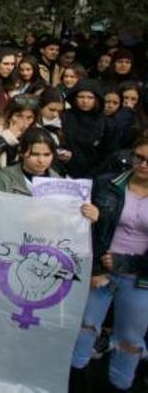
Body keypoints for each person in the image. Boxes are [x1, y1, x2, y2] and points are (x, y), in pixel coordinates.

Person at [70, 137, 148, 391]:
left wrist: (124, 262)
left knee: (130, 338)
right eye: (139, 157)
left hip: (141, 277)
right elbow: (89, 231)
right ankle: (74, 380)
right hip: (101, 270)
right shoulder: (107, 184)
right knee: (84, 327)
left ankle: (120, 384)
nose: (144, 164)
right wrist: (95, 267)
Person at [61, 79, 117, 178]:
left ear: (97, 99)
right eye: (81, 97)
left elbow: (108, 152)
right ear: (75, 98)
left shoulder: (106, 123)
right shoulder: (64, 116)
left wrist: (93, 174)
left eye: (90, 97)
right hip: (63, 170)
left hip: (94, 174)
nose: (85, 101)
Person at [0, 94, 41, 178]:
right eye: (18, 116)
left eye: (29, 118)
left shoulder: (38, 134)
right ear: (9, 115)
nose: (24, 122)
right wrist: (6, 138)